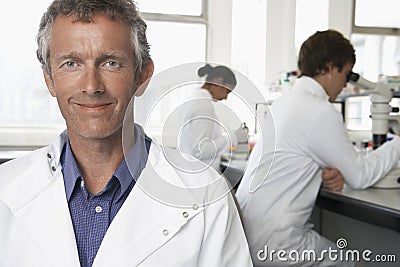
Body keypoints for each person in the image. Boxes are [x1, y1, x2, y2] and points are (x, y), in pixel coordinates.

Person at [0, 1, 253, 266]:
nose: (91, 86)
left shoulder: (207, 195)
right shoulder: (6, 187)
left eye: (111, 63)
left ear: (142, 75)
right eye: (71, 64)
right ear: (49, 80)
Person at [236, 29, 400, 267]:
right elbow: (360, 176)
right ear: (332, 67)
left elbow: (296, 157)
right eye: (345, 74)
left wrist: (323, 173)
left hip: (246, 235)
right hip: (277, 243)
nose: (345, 84)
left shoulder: (286, 101)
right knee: (351, 263)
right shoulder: (319, 110)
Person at [179, 64, 237, 171]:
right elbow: (200, 150)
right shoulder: (202, 103)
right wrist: (230, 138)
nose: (225, 97)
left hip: (193, 170)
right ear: (219, 82)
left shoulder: (196, 97)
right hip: (199, 174)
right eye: (227, 91)